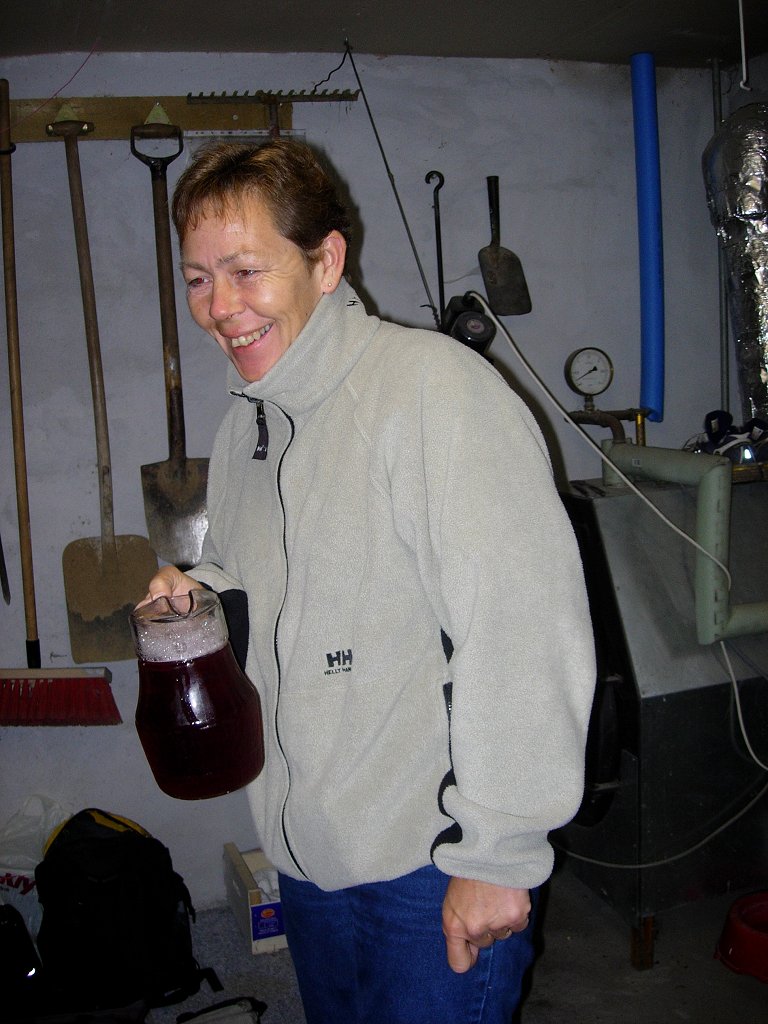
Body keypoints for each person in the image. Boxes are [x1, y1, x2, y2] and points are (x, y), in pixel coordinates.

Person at [141, 138, 595, 1024]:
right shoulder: (246, 427)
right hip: (311, 860)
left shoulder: (434, 391)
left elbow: (523, 626)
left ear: (326, 261)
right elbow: (258, 578)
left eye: (245, 271)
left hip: (431, 865)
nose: (219, 308)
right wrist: (200, 595)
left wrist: (497, 853)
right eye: (197, 279)